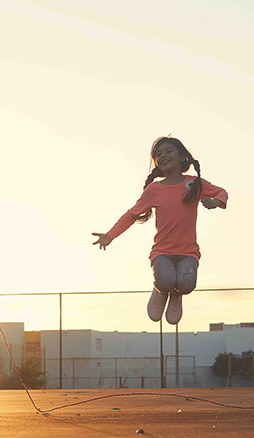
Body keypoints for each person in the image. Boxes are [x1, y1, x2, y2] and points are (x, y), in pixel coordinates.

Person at [92, 136, 227, 325]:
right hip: (162, 253)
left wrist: (215, 202)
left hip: (188, 253)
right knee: (165, 281)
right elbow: (131, 215)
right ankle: (161, 290)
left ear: (182, 157)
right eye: (158, 154)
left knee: (186, 285)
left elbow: (221, 192)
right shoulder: (154, 190)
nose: (163, 156)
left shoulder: (194, 184)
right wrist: (110, 235)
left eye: (169, 151)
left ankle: (176, 294)